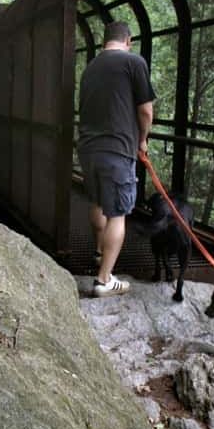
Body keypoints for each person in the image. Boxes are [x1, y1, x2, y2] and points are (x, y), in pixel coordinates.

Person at [77, 21, 155, 297]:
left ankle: (100, 253)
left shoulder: (91, 67)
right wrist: (142, 139)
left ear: (103, 42)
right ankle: (104, 280)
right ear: (128, 41)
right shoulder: (134, 62)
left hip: (88, 148)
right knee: (118, 213)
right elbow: (145, 110)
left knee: (98, 202)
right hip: (118, 149)